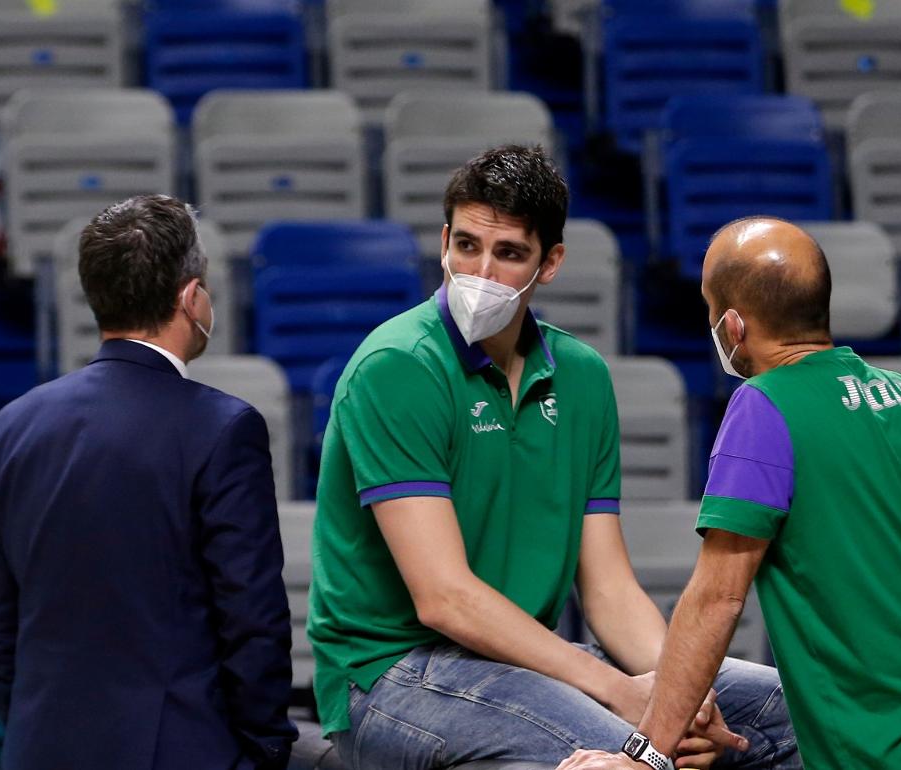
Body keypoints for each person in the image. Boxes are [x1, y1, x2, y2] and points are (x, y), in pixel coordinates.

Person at [308, 147, 800, 769]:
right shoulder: (399, 366)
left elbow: (610, 590)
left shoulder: (583, 377)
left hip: (523, 662)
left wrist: (680, 698)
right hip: (389, 675)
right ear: (442, 241)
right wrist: (630, 702)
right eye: (466, 246)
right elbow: (445, 598)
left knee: (799, 709)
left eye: (509, 253)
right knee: (634, 757)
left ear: (551, 263)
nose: (480, 271)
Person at [557, 217, 901, 770]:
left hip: (898, 756)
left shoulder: (763, 407)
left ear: (731, 326)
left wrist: (643, 757)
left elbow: (716, 599)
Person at [0, 194, 298, 770]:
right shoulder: (224, 428)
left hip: (39, 748)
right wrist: (266, 746)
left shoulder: (12, 426)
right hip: (183, 751)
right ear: (190, 296)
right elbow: (252, 620)